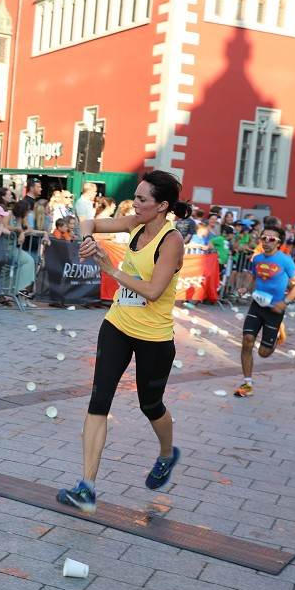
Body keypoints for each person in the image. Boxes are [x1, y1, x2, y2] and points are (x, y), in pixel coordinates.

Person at [55, 177, 192, 521]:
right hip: (117, 325)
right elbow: (89, 221)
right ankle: (86, 487)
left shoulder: (171, 241)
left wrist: (109, 268)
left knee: (151, 404)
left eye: (142, 199)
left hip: (155, 337)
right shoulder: (135, 222)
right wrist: (88, 240)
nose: (134, 204)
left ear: (162, 206)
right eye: (135, 197)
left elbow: (153, 290)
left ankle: (165, 455)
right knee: (98, 401)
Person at [233, 225, 295, 398]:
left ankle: (278, 334)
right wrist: (245, 287)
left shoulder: (285, 260)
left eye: (271, 239)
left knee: (264, 353)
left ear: (278, 243)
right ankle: (247, 383)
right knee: (247, 340)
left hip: (275, 309)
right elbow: (254, 276)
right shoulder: (257, 259)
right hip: (257, 305)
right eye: (264, 238)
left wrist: (285, 302)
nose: (266, 242)